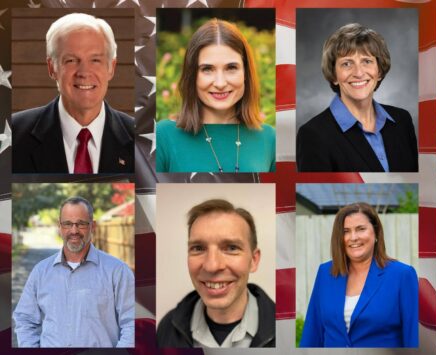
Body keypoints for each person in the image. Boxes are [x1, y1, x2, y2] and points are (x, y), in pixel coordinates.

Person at [12, 13, 134, 174]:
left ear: (111, 67)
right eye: (71, 60)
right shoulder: (13, 135)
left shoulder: (140, 138)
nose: (84, 72)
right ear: (52, 68)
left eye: (95, 60)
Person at [13, 197, 135, 347]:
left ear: (93, 226)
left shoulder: (118, 271)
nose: (74, 230)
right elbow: (25, 319)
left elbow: (132, 325)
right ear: (60, 226)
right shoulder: (41, 271)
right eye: (67, 224)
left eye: (81, 224)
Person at [156, 19, 275, 173]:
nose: (220, 83)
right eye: (207, 69)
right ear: (193, 75)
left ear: (245, 73)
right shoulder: (163, 136)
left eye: (231, 68)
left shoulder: (269, 139)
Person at [296, 23, 418, 172]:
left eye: (367, 61)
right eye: (347, 64)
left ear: (379, 71)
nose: (359, 73)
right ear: (334, 75)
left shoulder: (402, 120)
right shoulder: (313, 135)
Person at [156, 199, 275, 347]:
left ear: (254, 260)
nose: (211, 266)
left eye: (231, 248)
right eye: (198, 248)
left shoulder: (284, 331)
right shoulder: (167, 329)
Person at [300, 202, 418, 347]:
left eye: (360, 229)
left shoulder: (402, 275)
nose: (353, 237)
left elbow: (413, 338)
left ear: (376, 233)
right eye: (346, 231)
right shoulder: (325, 273)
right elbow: (312, 334)